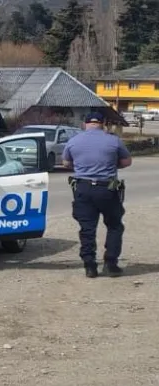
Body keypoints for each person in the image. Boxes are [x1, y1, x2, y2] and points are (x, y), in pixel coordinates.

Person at [61, 112, 132, 278]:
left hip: (83, 188)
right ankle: (111, 264)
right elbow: (127, 162)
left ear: (85, 124)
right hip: (107, 189)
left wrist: (82, 166)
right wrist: (111, 164)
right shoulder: (114, 140)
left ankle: (90, 266)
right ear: (103, 123)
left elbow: (65, 163)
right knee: (114, 226)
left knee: (87, 229)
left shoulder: (74, 141)